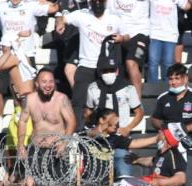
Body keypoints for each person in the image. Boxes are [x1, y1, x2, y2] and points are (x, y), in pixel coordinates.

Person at [55, 0, 126, 128]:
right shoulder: (82, 15)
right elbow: (62, 17)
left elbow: (128, 35)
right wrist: (59, 23)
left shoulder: (114, 18)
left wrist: (122, 38)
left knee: (107, 104)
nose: (98, 3)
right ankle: (77, 135)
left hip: (106, 68)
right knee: (78, 102)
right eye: (95, 1)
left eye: (101, 1)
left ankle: (109, 135)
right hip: (86, 66)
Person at [151, 63, 192, 186]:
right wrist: (164, 127)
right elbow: (154, 119)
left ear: (185, 79)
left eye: (177, 78)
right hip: (167, 151)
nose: (174, 82)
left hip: (189, 149)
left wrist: (185, 128)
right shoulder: (163, 98)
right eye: (171, 79)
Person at [84, 55, 143, 136]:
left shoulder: (127, 88)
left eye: (111, 70)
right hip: (100, 133)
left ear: (117, 71)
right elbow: (88, 111)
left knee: (120, 149)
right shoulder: (93, 88)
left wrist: (128, 128)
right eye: (105, 71)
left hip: (120, 133)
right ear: (100, 72)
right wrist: (92, 127)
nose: (108, 73)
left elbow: (139, 112)